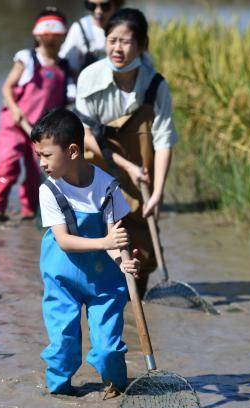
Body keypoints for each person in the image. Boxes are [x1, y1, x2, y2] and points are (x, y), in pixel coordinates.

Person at [32, 108, 140, 398]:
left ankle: (118, 390)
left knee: (108, 349)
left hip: (104, 281)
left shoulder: (107, 186)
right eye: (39, 155)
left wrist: (124, 262)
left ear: (72, 151)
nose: (41, 163)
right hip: (62, 279)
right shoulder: (49, 190)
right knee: (62, 349)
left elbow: (116, 241)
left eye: (46, 155)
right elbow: (65, 241)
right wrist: (105, 243)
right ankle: (60, 399)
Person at [75, 8, 178, 297]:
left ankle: (137, 306)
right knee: (96, 239)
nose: (117, 48)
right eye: (111, 40)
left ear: (142, 45)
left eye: (125, 41)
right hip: (95, 167)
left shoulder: (154, 84)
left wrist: (158, 191)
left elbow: (164, 140)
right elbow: (85, 135)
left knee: (141, 249)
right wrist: (123, 166)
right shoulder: (90, 77)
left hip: (138, 175)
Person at [0, 8, 74, 224]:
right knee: (8, 166)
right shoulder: (27, 59)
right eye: (46, 36)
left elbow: (69, 99)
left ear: (63, 37)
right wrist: (15, 110)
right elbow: (7, 87)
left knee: (38, 172)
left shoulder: (64, 67)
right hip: (14, 125)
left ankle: (29, 213)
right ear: (37, 36)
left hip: (42, 132)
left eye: (56, 36)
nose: (51, 40)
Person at [59, 0, 125, 77]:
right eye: (91, 6)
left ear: (116, 5)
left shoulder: (127, 27)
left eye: (105, 6)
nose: (98, 11)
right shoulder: (80, 28)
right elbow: (70, 66)